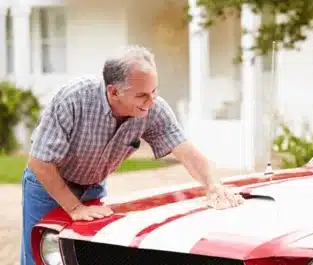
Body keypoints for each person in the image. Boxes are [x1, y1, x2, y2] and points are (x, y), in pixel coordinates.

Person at [20, 45, 244, 265]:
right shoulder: (73, 99)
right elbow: (40, 162)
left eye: (154, 91)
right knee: (41, 257)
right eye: (142, 95)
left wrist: (213, 184)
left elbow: (185, 150)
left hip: (93, 187)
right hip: (47, 186)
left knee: (84, 257)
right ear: (113, 92)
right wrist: (75, 208)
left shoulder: (153, 108)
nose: (152, 100)